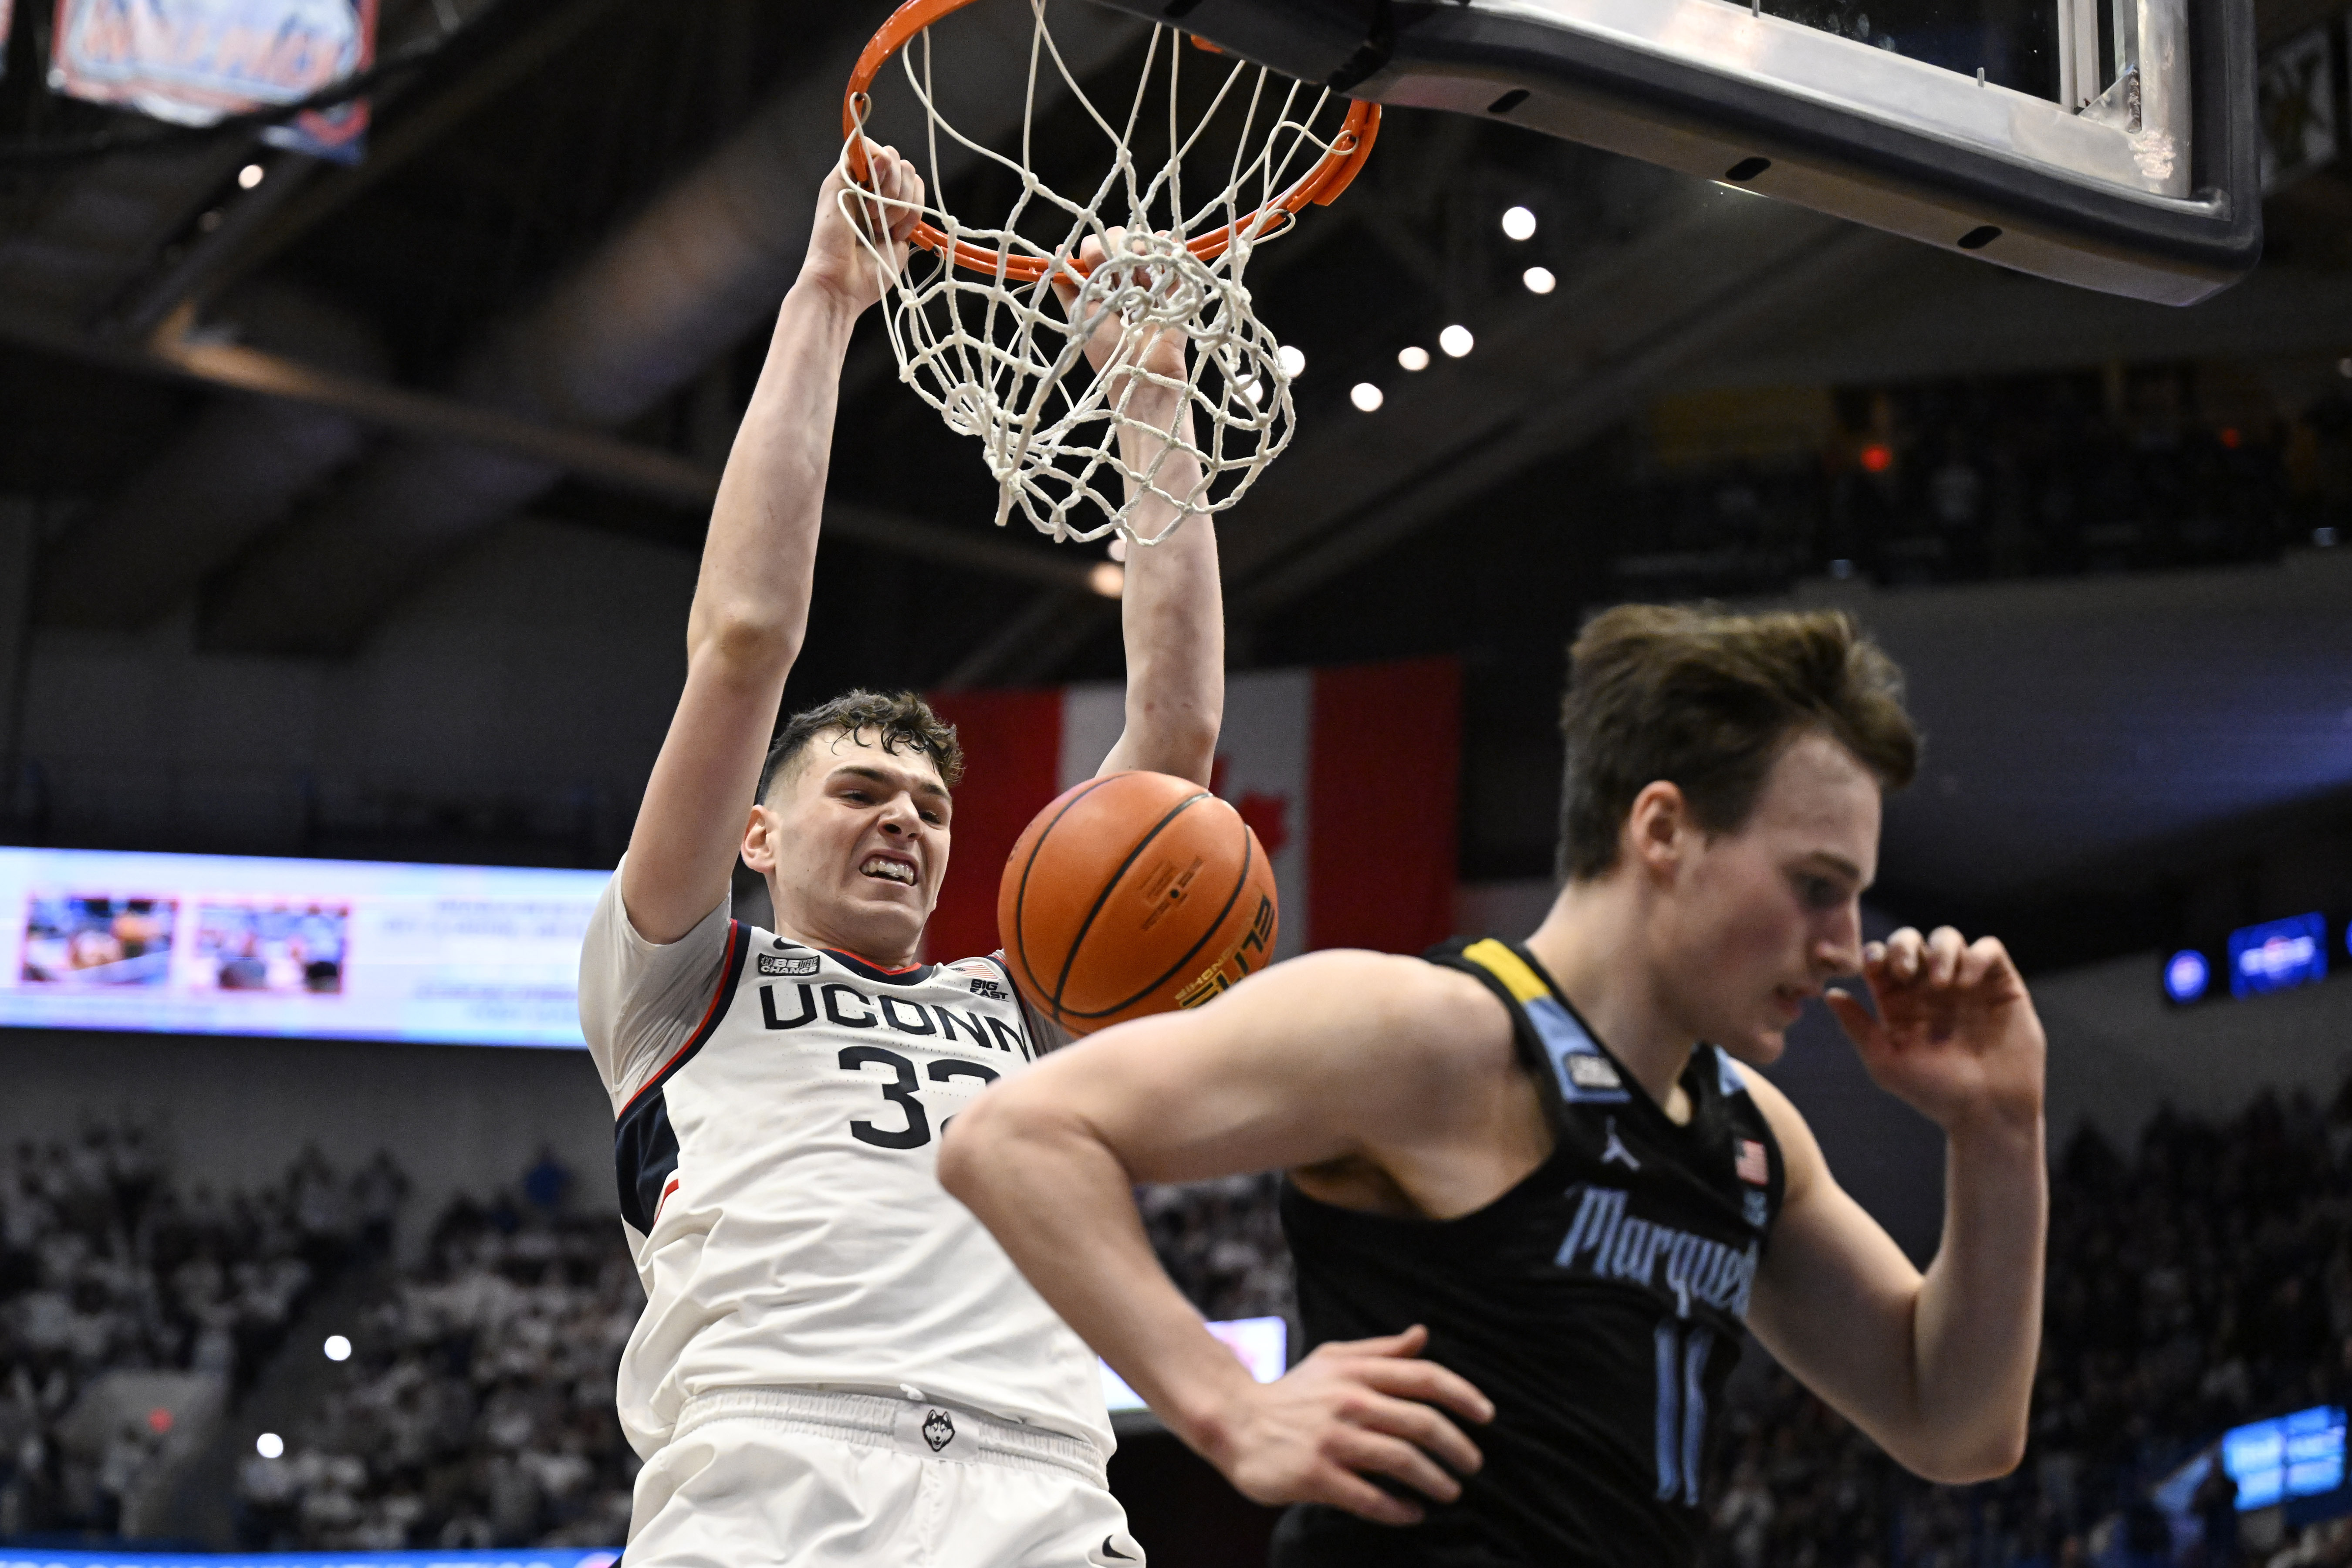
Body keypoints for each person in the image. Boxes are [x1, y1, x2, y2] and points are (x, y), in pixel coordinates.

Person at [942, 605, 2051, 1567]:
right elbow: (1013, 1135)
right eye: (1816, 886)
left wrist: (1999, 1125)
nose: (1847, 946)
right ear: (1662, 830)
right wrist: (1226, 1405)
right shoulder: (1431, 1033)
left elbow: (1953, 1424)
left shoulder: (1753, 1136)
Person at [577, 144, 1229, 1567]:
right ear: (757, 834)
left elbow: (1171, 740)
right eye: (860, 790)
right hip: (777, 1462)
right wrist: (823, 297)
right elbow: (745, 643)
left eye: (931, 808)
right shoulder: (682, 975)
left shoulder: (1023, 1001)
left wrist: (1151, 394)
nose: (905, 821)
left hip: (1047, 1484)